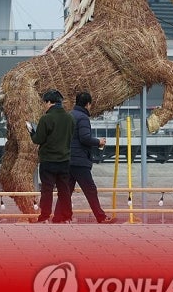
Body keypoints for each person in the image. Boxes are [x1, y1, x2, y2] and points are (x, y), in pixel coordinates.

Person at [69, 91, 117, 224]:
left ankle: (60, 217)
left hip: (68, 159)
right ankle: (101, 217)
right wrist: (98, 142)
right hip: (79, 160)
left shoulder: (70, 115)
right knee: (90, 190)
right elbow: (84, 138)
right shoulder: (83, 118)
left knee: (65, 192)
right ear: (88, 104)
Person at [31, 89, 74, 224]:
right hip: (64, 160)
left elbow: (38, 139)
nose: (44, 105)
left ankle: (44, 216)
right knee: (64, 191)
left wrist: (32, 132)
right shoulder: (70, 118)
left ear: (49, 102)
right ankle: (67, 217)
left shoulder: (46, 118)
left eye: (45, 102)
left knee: (47, 190)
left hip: (48, 161)